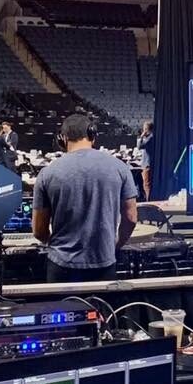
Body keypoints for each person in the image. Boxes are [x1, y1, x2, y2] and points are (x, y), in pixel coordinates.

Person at [31, 113, 137, 283]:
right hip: (104, 264)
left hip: (61, 266)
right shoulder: (119, 168)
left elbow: (38, 230)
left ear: (62, 139)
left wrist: (57, 246)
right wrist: (115, 245)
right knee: (103, 310)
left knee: (64, 310)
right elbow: (131, 218)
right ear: (92, 135)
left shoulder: (47, 173)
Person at [136, 120, 154, 201]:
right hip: (146, 163)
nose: (143, 130)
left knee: (146, 184)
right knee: (144, 184)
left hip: (147, 163)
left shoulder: (150, 137)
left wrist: (141, 137)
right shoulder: (149, 137)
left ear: (147, 129)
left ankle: (148, 200)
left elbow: (139, 146)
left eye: (144, 129)